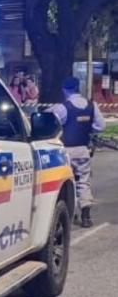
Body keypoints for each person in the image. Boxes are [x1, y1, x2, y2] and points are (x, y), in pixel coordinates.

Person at [49, 76, 105, 228]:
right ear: (78, 88)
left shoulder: (61, 108)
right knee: (83, 180)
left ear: (64, 90)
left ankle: (68, 214)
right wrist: (87, 128)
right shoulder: (91, 106)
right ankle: (86, 215)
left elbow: (50, 122)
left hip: (64, 151)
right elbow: (100, 126)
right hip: (82, 150)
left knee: (66, 182)